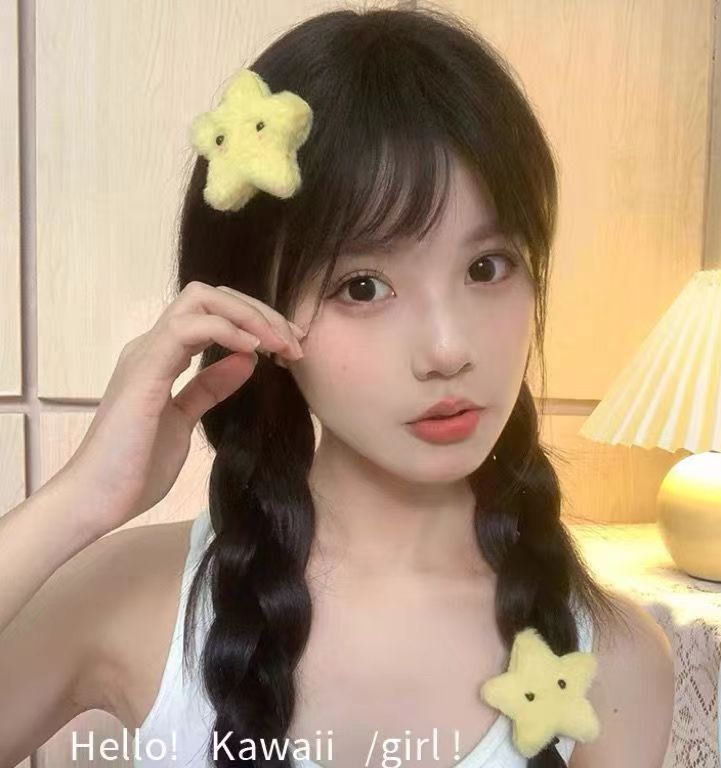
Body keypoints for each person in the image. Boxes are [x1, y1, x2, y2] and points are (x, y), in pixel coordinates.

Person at [0, 5, 675, 767]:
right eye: (363, 287)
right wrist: (81, 499)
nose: (449, 349)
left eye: (487, 268)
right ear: (256, 311)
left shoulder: (612, 660)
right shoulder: (134, 599)